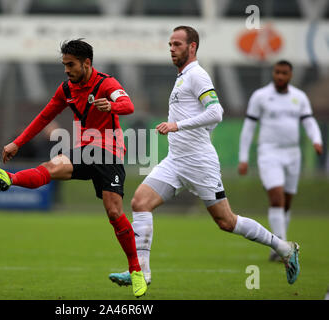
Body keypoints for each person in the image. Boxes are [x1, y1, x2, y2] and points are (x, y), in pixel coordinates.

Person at [108, 26, 301, 288]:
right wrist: (184, 127)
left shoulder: (197, 75)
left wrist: (177, 126)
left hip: (199, 162)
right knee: (140, 202)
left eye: (177, 44)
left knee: (226, 221)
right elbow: (205, 118)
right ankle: (142, 273)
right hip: (176, 160)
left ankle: (284, 247)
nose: (172, 49)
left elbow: (216, 112)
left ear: (192, 47)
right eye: (170, 44)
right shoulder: (182, 78)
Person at [0, 39, 147, 297]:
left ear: (87, 63)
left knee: (114, 212)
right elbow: (45, 116)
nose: (66, 70)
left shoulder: (106, 83)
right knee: (51, 166)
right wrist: (17, 143)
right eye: (64, 64)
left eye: (71, 65)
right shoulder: (66, 88)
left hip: (109, 152)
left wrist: (111, 105)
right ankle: (8, 179)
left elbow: (128, 105)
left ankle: (136, 271)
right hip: (84, 151)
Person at [238, 60, 323, 261]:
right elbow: (249, 127)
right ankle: (282, 246)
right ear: (273, 73)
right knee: (276, 198)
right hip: (269, 152)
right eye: (277, 72)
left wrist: (317, 140)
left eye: (284, 73)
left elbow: (309, 121)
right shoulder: (260, 96)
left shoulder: (299, 97)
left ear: (290, 75)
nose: (280, 76)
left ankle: (277, 244)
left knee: (286, 203)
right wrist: (243, 158)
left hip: (293, 154)